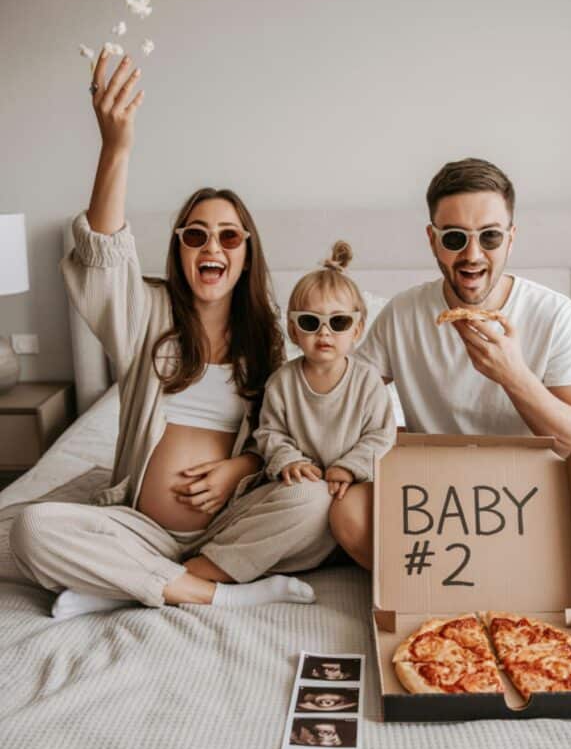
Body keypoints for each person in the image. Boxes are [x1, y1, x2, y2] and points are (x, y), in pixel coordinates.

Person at [9, 49, 332, 619]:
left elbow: (285, 439)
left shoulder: (271, 339)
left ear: (246, 252)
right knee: (31, 528)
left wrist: (239, 468)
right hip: (136, 525)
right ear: (179, 248)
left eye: (229, 237)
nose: (212, 247)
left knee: (313, 502)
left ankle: (137, 585)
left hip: (229, 526)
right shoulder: (146, 314)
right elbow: (105, 253)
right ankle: (211, 593)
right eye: (196, 235)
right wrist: (117, 147)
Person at [336, 158, 571, 606]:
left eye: (489, 236)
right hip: (437, 498)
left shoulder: (555, 315)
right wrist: (397, 442)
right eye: (455, 238)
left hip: (537, 495)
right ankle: (561, 579)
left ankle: (465, 584)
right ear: (433, 240)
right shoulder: (402, 314)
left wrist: (514, 376)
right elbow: (346, 405)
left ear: (511, 238)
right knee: (347, 513)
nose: (472, 255)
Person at [253, 241, 395, 560]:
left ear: (357, 329)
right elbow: (270, 433)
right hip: (308, 482)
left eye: (339, 322)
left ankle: (375, 570)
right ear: (293, 330)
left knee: (361, 513)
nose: (324, 333)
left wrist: (350, 467)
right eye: (310, 322)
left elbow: (382, 435)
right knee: (289, 503)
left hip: (355, 483)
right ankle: (298, 556)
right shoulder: (282, 382)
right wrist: (289, 461)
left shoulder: (367, 381)